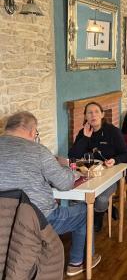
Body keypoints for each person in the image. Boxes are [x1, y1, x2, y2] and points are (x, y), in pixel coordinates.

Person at [0, 111, 101, 277]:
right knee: (84, 212)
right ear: (33, 132)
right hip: (38, 220)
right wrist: (70, 170)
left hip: (3, 222)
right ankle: (77, 262)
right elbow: (65, 183)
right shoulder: (38, 151)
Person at [68, 101, 127, 232]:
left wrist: (114, 160)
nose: (93, 115)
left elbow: (125, 154)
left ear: (102, 114)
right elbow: (73, 155)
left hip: (109, 173)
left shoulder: (113, 131)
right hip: (89, 174)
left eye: (96, 111)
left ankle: (98, 216)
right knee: (78, 198)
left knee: (101, 199)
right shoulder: (83, 132)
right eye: (89, 112)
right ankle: (83, 223)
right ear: (85, 116)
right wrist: (85, 138)